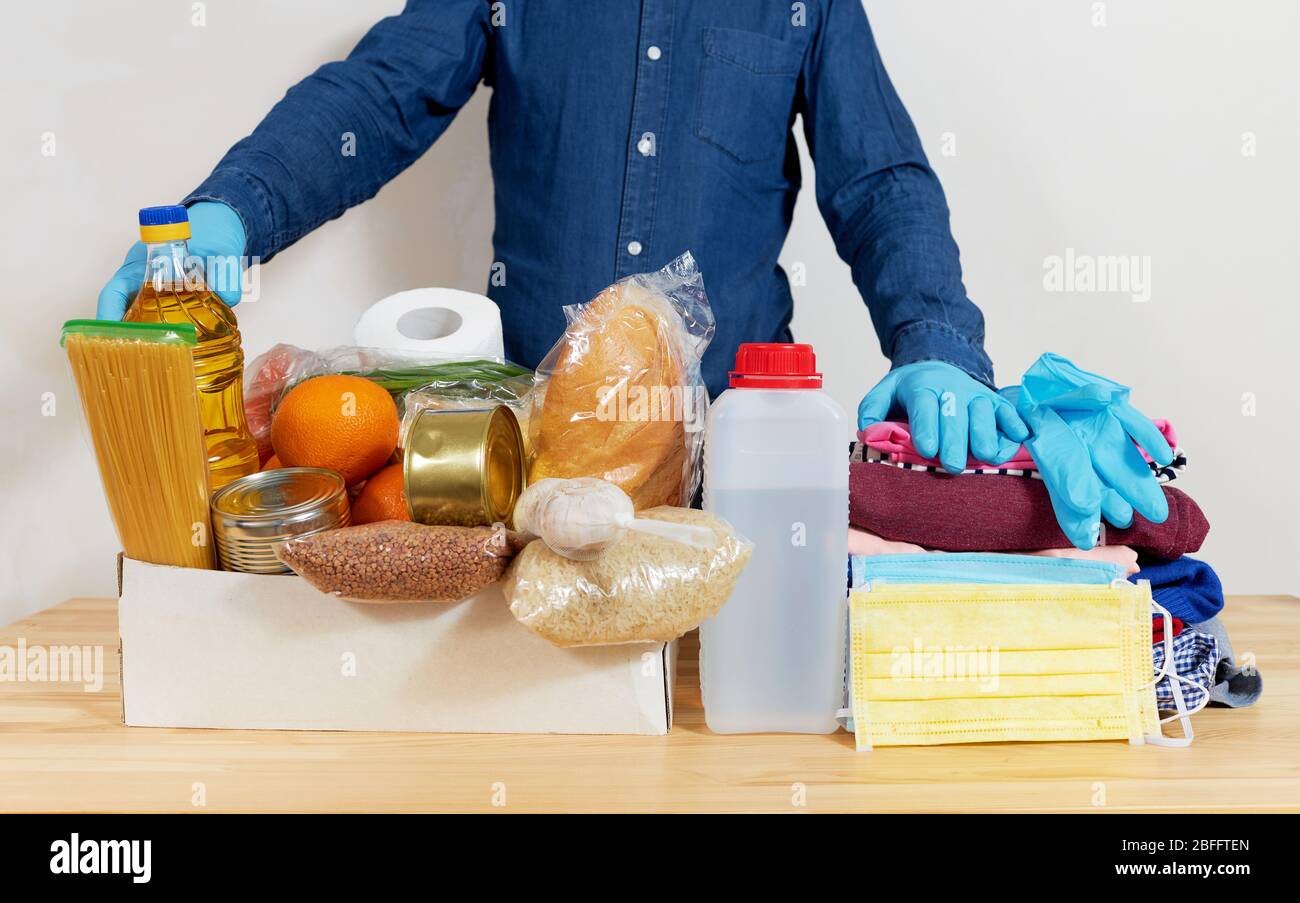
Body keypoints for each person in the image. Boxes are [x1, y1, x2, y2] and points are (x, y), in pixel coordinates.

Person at [96, 0, 1165, 548]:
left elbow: (878, 179)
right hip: (520, 476)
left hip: (735, 473)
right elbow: (378, 95)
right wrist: (228, 211)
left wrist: (938, 348)